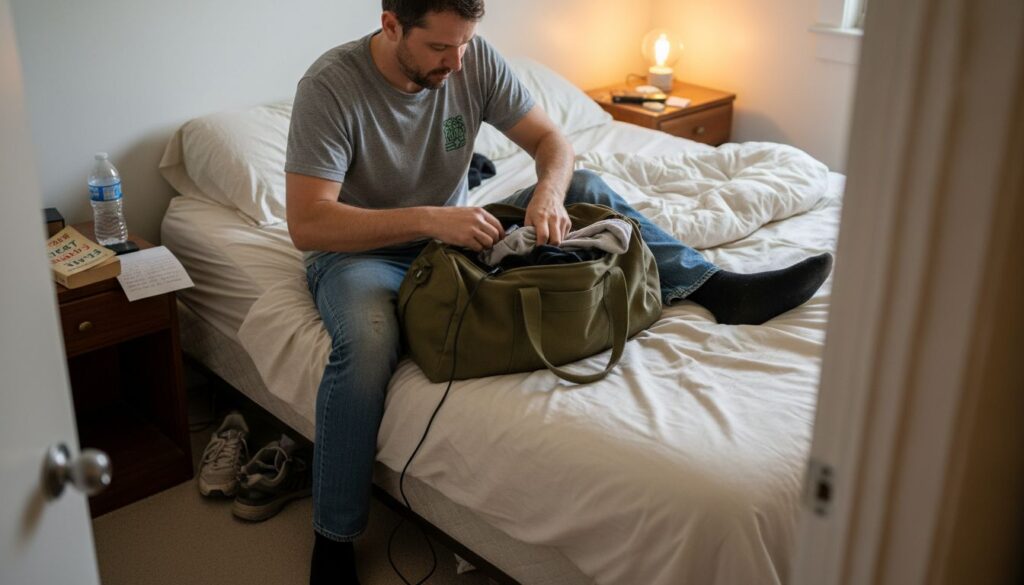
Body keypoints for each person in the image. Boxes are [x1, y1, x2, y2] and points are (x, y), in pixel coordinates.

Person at [285, 1, 833, 582]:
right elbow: (309, 223)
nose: (457, 62)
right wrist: (431, 219)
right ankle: (334, 538)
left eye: (465, 44)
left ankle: (717, 289)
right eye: (440, 48)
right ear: (391, 25)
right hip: (362, 255)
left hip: (452, 238)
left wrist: (547, 195)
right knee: (368, 344)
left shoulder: (473, 61)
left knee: (585, 187)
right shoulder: (331, 88)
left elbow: (553, 141)